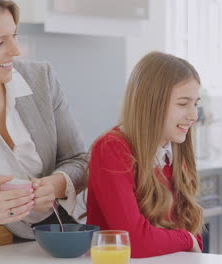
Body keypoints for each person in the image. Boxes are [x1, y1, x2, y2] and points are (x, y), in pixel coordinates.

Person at [0, 0, 87, 239]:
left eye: (15, 36)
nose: (15, 50)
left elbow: (80, 160)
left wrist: (55, 185)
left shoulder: (41, 79)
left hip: (65, 230)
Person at [86, 51, 203, 258]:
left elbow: (194, 237)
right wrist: (186, 239)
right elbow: (135, 242)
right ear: (151, 103)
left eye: (196, 103)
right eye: (183, 104)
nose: (193, 115)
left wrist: (187, 238)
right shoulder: (112, 149)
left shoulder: (173, 150)